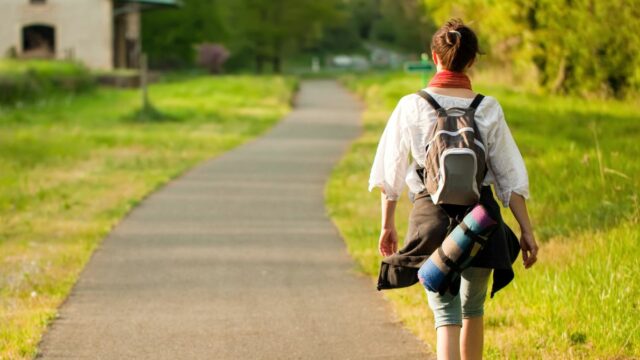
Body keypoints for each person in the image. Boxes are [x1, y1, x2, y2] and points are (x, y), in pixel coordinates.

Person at [368, 19, 539, 360]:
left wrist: (388, 224)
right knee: (473, 308)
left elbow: (392, 172)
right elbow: (510, 177)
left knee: (446, 314)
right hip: (481, 221)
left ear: (435, 56)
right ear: (472, 60)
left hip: (431, 220)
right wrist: (526, 230)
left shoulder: (411, 105)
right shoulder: (488, 107)